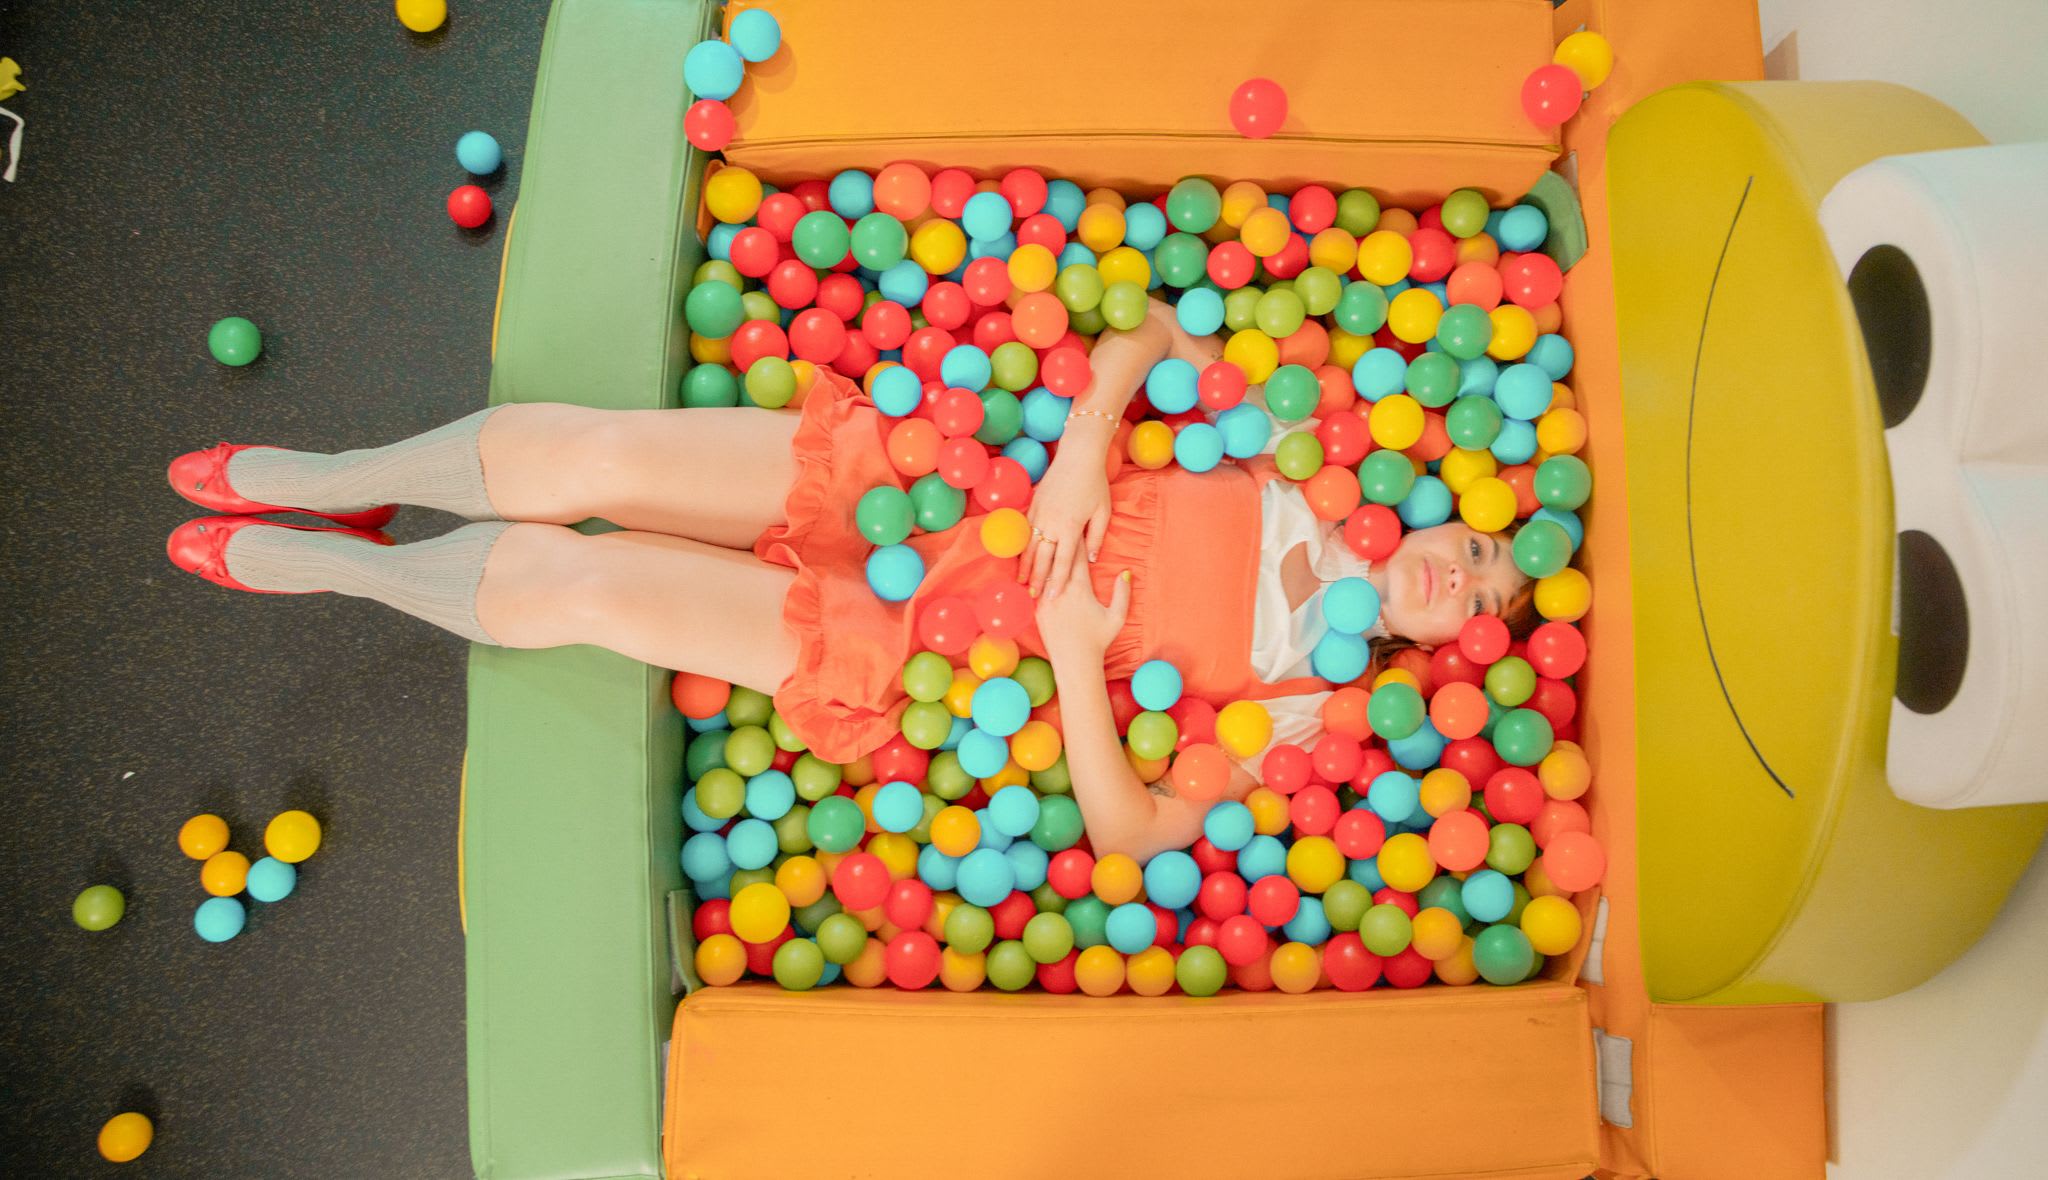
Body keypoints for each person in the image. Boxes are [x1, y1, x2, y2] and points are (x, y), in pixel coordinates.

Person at [166, 299, 1535, 862]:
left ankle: (339, 574)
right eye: (1477, 550)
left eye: (1481, 604)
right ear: (1443, 516)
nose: (1461, 579)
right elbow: (1158, 330)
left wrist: (1070, 654)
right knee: (601, 453)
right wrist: (1079, 458)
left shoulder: (1311, 709)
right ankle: (336, 477)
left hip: (934, 652)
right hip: (929, 492)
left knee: (584, 592)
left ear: (1454, 657)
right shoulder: (1317, 454)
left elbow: (1139, 834)